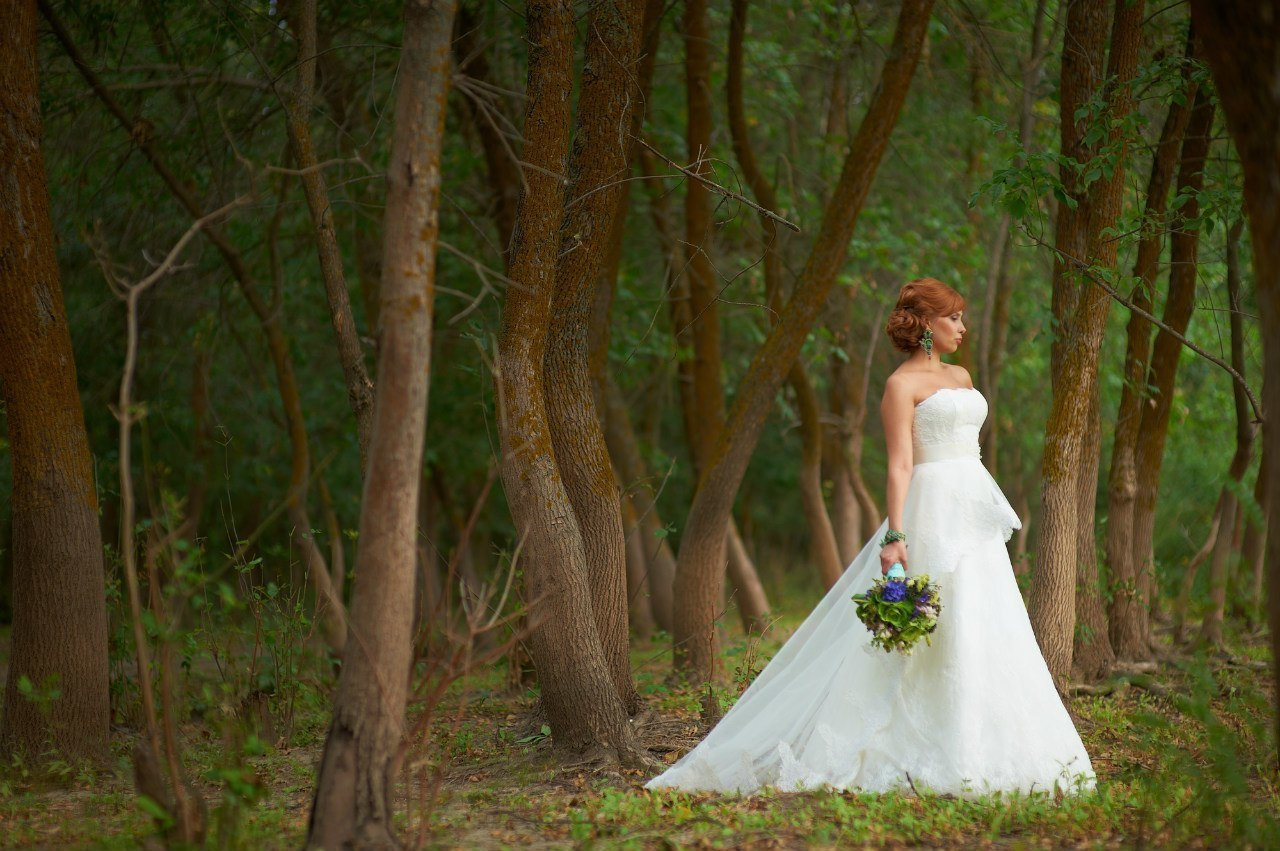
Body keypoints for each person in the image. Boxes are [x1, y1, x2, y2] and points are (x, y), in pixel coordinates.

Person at [646, 278, 1095, 797]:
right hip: (930, 505)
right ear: (927, 323)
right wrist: (896, 534)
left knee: (981, 615)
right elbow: (900, 463)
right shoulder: (900, 387)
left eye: (964, 318)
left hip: (971, 504)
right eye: (954, 318)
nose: (963, 327)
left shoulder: (962, 374)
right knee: (927, 619)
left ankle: (983, 735)